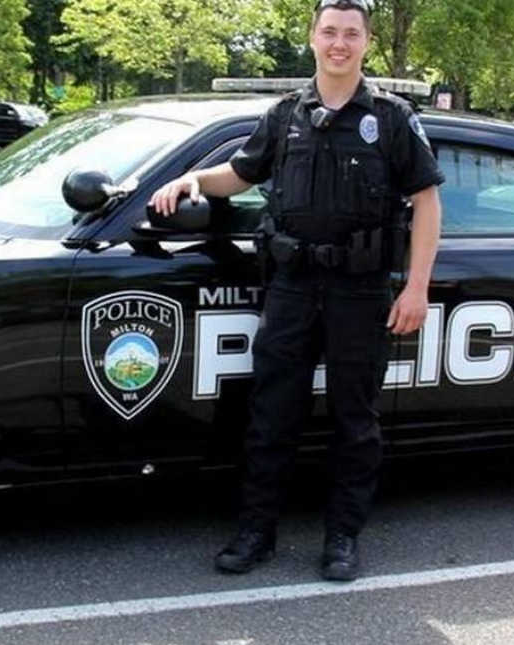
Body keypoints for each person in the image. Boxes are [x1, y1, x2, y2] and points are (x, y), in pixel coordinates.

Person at [150, 0, 443, 581]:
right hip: (291, 284)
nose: (340, 43)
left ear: (367, 42)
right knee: (271, 415)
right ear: (312, 38)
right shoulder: (285, 113)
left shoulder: (389, 117)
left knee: (354, 420)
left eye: (351, 34)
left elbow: (428, 201)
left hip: (360, 289)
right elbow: (239, 174)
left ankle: (342, 539)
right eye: (329, 32)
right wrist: (189, 178)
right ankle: (256, 533)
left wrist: (416, 288)